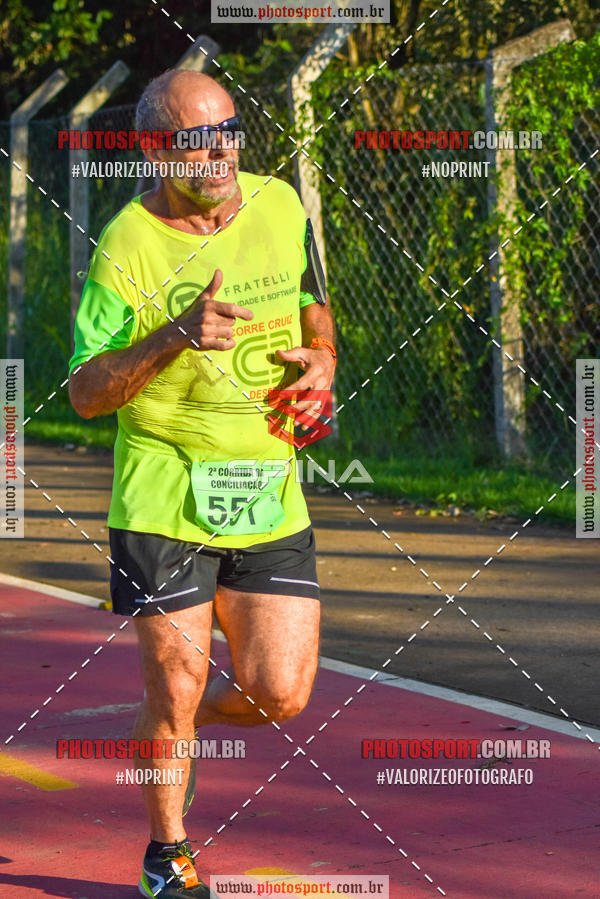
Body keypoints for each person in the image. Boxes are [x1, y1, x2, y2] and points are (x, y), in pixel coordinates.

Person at [68, 69, 337, 898]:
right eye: (197, 138)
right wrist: (176, 333)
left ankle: (167, 729)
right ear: (155, 148)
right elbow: (84, 390)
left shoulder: (281, 205)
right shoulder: (127, 244)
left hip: (265, 482)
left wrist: (325, 358)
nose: (220, 151)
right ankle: (167, 854)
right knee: (177, 678)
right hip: (162, 488)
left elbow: (313, 299)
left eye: (229, 131)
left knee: (281, 691)